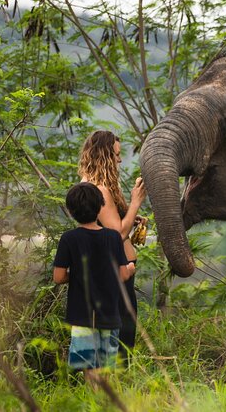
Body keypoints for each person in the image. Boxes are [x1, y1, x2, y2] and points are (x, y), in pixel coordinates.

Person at [78, 130, 147, 363]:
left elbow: (105, 222)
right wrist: (136, 201)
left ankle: (106, 379)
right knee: (124, 330)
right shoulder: (101, 190)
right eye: (116, 155)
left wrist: (127, 215)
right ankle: (117, 381)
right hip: (118, 267)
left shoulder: (86, 183)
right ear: (104, 155)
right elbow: (117, 234)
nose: (119, 160)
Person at [53, 182, 135, 375]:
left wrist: (81, 273)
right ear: (100, 207)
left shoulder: (68, 239)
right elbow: (123, 274)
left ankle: (93, 400)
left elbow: (58, 277)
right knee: (106, 369)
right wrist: (131, 268)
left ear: (71, 211)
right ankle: (104, 402)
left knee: (89, 368)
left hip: (82, 317)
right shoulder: (114, 237)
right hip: (110, 316)